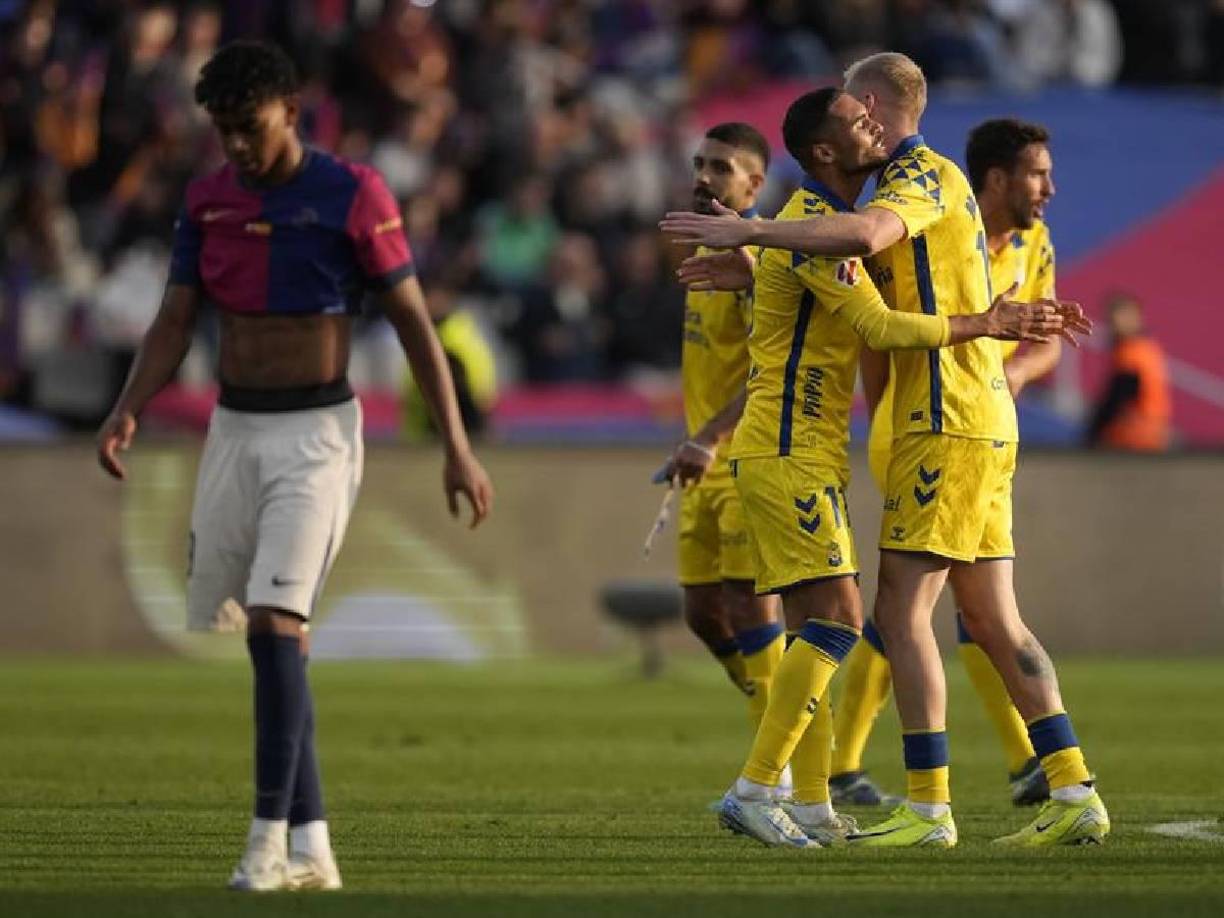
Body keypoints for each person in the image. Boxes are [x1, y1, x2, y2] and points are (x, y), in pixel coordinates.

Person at [665, 52, 1102, 849]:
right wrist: (759, 258)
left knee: (891, 617)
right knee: (978, 618)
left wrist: (752, 232)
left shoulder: (917, 177)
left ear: (869, 104)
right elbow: (838, 261)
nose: (863, 123)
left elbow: (861, 248)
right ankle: (1067, 786)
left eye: (861, 109)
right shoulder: (843, 207)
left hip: (941, 417)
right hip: (888, 430)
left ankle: (919, 806)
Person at [95, 41, 493, 891]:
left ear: (290, 110)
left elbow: (418, 326)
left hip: (316, 436)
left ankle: (265, 844)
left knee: (277, 624)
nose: (236, 145)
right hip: (234, 432)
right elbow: (173, 322)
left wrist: (455, 446)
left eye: (249, 126)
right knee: (273, 644)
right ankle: (314, 845)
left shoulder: (352, 193)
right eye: (224, 131)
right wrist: (128, 406)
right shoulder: (207, 203)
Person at [831, 117, 1065, 810]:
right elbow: (877, 330)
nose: (1049, 189)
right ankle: (1048, 771)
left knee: (926, 606)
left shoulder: (1034, 243)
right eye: (1037, 174)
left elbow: (1045, 333)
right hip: (921, 422)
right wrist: (885, 420)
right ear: (995, 179)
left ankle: (938, 788)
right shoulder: (928, 222)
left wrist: (1014, 374)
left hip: (969, 422)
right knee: (942, 605)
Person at [659, 122, 792, 801]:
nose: (705, 176)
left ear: (754, 185)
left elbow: (771, 368)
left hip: (746, 455)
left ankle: (779, 771)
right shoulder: (702, 253)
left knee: (746, 602)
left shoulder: (756, 262)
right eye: (700, 163)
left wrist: (708, 436)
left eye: (722, 168)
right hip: (702, 459)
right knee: (702, 614)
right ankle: (781, 717)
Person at [1086, 293, 1171, 451]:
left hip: (1133, 437)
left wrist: (1093, 431)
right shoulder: (1148, 348)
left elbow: (1118, 395)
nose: (1117, 323)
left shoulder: (1133, 352)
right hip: (1150, 434)